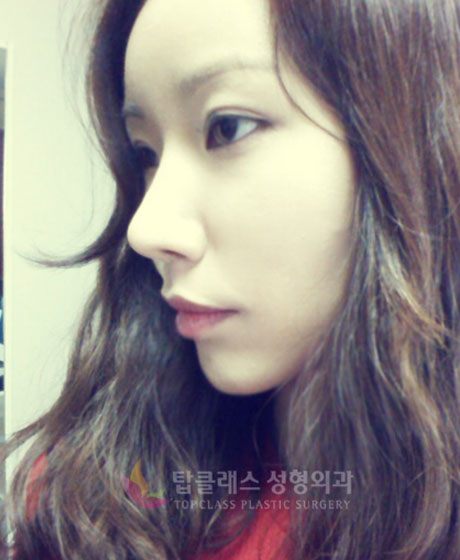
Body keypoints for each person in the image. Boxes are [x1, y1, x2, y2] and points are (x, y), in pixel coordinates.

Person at [3, 0, 460, 558]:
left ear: (408, 145)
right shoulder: (91, 502)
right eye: (145, 152)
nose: (145, 229)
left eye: (227, 127)